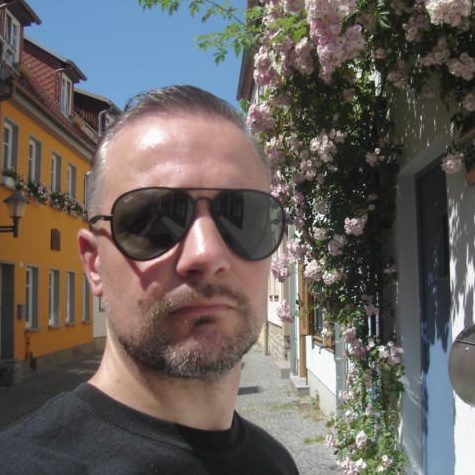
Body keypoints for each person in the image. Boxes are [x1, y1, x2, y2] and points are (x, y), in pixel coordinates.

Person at [0, 85, 298, 474]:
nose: (205, 253)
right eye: (154, 221)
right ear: (94, 264)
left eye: (245, 216)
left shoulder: (276, 463)